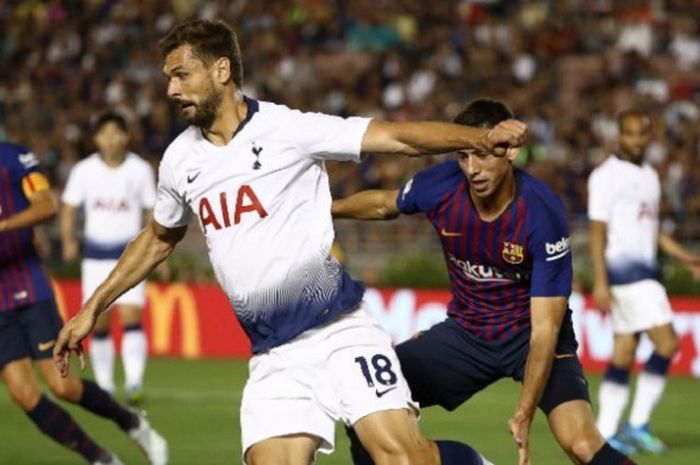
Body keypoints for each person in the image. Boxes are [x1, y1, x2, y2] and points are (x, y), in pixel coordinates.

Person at [54, 20, 527, 465]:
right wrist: (92, 307)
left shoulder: (287, 130)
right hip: (274, 357)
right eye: (168, 78)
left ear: (221, 71)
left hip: (339, 331)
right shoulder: (179, 161)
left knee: (402, 458)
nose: (171, 90)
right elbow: (159, 236)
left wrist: (479, 137)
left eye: (182, 74)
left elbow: (397, 137)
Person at [332, 99, 638, 465]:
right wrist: (325, 210)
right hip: (467, 335)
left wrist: (524, 412)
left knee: (581, 444)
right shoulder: (441, 187)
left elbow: (545, 327)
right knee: (367, 404)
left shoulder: (542, 213)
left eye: (483, 155)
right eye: (463, 156)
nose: (472, 169)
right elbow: (384, 204)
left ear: (509, 152)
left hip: (530, 338)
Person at [0, 142, 168, 465]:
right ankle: (100, 458)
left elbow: (46, 205)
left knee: (63, 386)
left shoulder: (15, 158)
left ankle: (132, 423)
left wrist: (5, 225)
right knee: (22, 393)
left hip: (27, 284)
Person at [588, 108, 700, 454]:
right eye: (630, 133)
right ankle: (637, 425)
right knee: (667, 343)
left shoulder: (651, 175)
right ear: (618, 135)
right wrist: (601, 281)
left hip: (646, 270)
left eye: (642, 133)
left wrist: (683, 256)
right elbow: (596, 230)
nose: (636, 139)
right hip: (626, 274)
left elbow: (651, 230)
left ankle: (604, 432)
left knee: (624, 351)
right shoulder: (606, 175)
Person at [60, 111, 157, 404]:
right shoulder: (84, 171)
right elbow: (68, 207)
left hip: (129, 256)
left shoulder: (139, 170)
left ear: (126, 136)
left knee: (131, 316)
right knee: (98, 321)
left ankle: (134, 383)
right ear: (96, 138)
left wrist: (155, 245)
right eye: (105, 133)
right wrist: (68, 240)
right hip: (95, 256)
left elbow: (152, 209)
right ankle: (104, 385)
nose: (111, 138)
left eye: (117, 132)